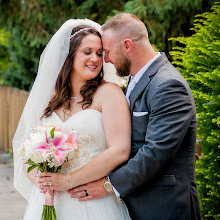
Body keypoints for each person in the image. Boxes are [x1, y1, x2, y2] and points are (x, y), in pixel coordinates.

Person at [39, 13, 201, 220]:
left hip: (163, 205)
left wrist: (109, 185)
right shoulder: (134, 82)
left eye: (105, 52)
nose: (104, 60)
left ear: (126, 46)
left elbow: (155, 152)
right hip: (133, 200)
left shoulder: (168, 85)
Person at [13, 19, 131, 219]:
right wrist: (42, 181)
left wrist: (67, 181)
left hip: (92, 202)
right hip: (49, 202)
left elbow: (119, 151)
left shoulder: (109, 93)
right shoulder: (50, 98)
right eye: (87, 52)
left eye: (99, 53)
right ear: (68, 56)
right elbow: (26, 153)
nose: (95, 58)